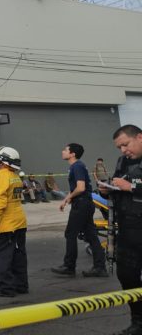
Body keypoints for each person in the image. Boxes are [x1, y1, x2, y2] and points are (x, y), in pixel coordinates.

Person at [100, 125, 142, 335]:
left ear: (140, 137)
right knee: (127, 277)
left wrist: (131, 187)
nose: (123, 150)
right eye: (119, 147)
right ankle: (138, 322)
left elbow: (130, 187)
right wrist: (108, 190)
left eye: (126, 144)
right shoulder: (122, 162)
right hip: (128, 230)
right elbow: (120, 190)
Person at [51, 143, 108, 278]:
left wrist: (68, 197)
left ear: (72, 154)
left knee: (70, 233)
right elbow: (78, 188)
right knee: (91, 235)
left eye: (65, 150)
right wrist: (68, 199)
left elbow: (81, 188)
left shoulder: (77, 166)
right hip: (84, 203)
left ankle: (69, 266)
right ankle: (100, 267)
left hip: (82, 204)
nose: (62, 151)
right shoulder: (76, 166)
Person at [0, 146, 28, 297]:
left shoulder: (1, 176)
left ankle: (5, 288)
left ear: (3, 162)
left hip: (6, 224)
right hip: (19, 222)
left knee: (2, 255)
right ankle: (21, 285)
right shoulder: (15, 176)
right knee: (18, 255)